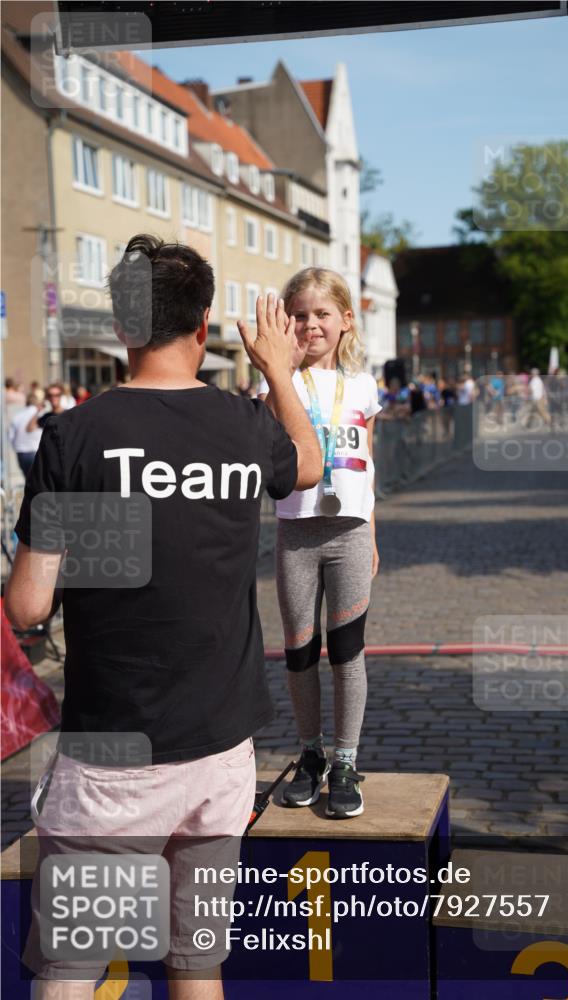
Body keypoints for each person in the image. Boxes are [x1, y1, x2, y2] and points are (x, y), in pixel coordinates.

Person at [4, 234, 321, 1000]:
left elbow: (28, 604)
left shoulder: (75, 436)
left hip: (115, 742)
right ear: (204, 324)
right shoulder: (244, 428)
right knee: (194, 961)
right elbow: (307, 465)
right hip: (219, 745)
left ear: (121, 326)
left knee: (78, 963)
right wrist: (277, 369)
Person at [258, 267, 381, 819]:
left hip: (350, 531)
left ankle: (347, 760)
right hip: (297, 532)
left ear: (346, 320)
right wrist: (276, 373)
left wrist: (373, 534)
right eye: (300, 315)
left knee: (348, 653)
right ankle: (310, 755)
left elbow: (369, 467)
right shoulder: (277, 385)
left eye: (322, 314)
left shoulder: (363, 385)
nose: (311, 325)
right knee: (301, 653)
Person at [8, 389, 45, 478]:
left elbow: (10, 436)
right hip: (36, 450)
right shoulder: (40, 414)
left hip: (21, 452)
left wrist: (16, 446)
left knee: (28, 479)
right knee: (38, 480)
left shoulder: (17, 416)